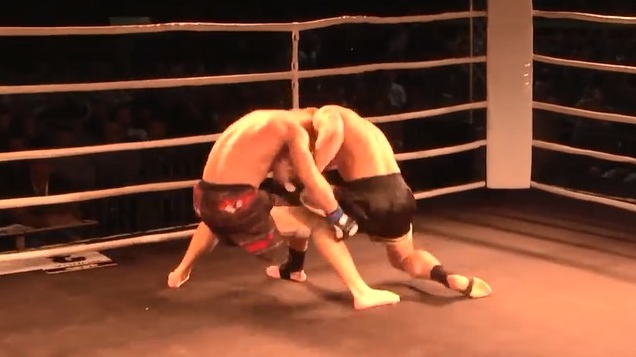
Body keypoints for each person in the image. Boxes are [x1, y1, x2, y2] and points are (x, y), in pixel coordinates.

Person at [167, 109, 400, 310]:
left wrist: (293, 181)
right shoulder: (294, 131)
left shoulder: (260, 119)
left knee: (287, 209)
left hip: (205, 201)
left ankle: (180, 272)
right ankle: (361, 292)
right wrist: (338, 216)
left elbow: (282, 177)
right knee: (319, 222)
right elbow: (311, 180)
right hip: (236, 207)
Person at [266, 105, 493, 299]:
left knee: (314, 210)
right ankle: (445, 276)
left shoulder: (326, 114)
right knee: (404, 257)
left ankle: (359, 291)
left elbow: (334, 132)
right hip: (400, 196)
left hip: (370, 196)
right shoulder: (363, 129)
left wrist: (308, 173)